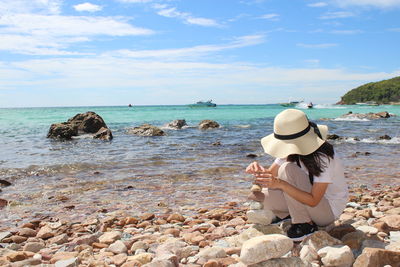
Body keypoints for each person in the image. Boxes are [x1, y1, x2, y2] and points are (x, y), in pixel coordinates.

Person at [245, 109, 348, 241]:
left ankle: (304, 223)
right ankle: (292, 214)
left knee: (287, 169)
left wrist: (281, 184)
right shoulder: (290, 150)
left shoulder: (322, 157)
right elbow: (269, 175)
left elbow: (313, 200)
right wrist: (257, 171)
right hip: (306, 201)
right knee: (260, 197)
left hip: (326, 211)